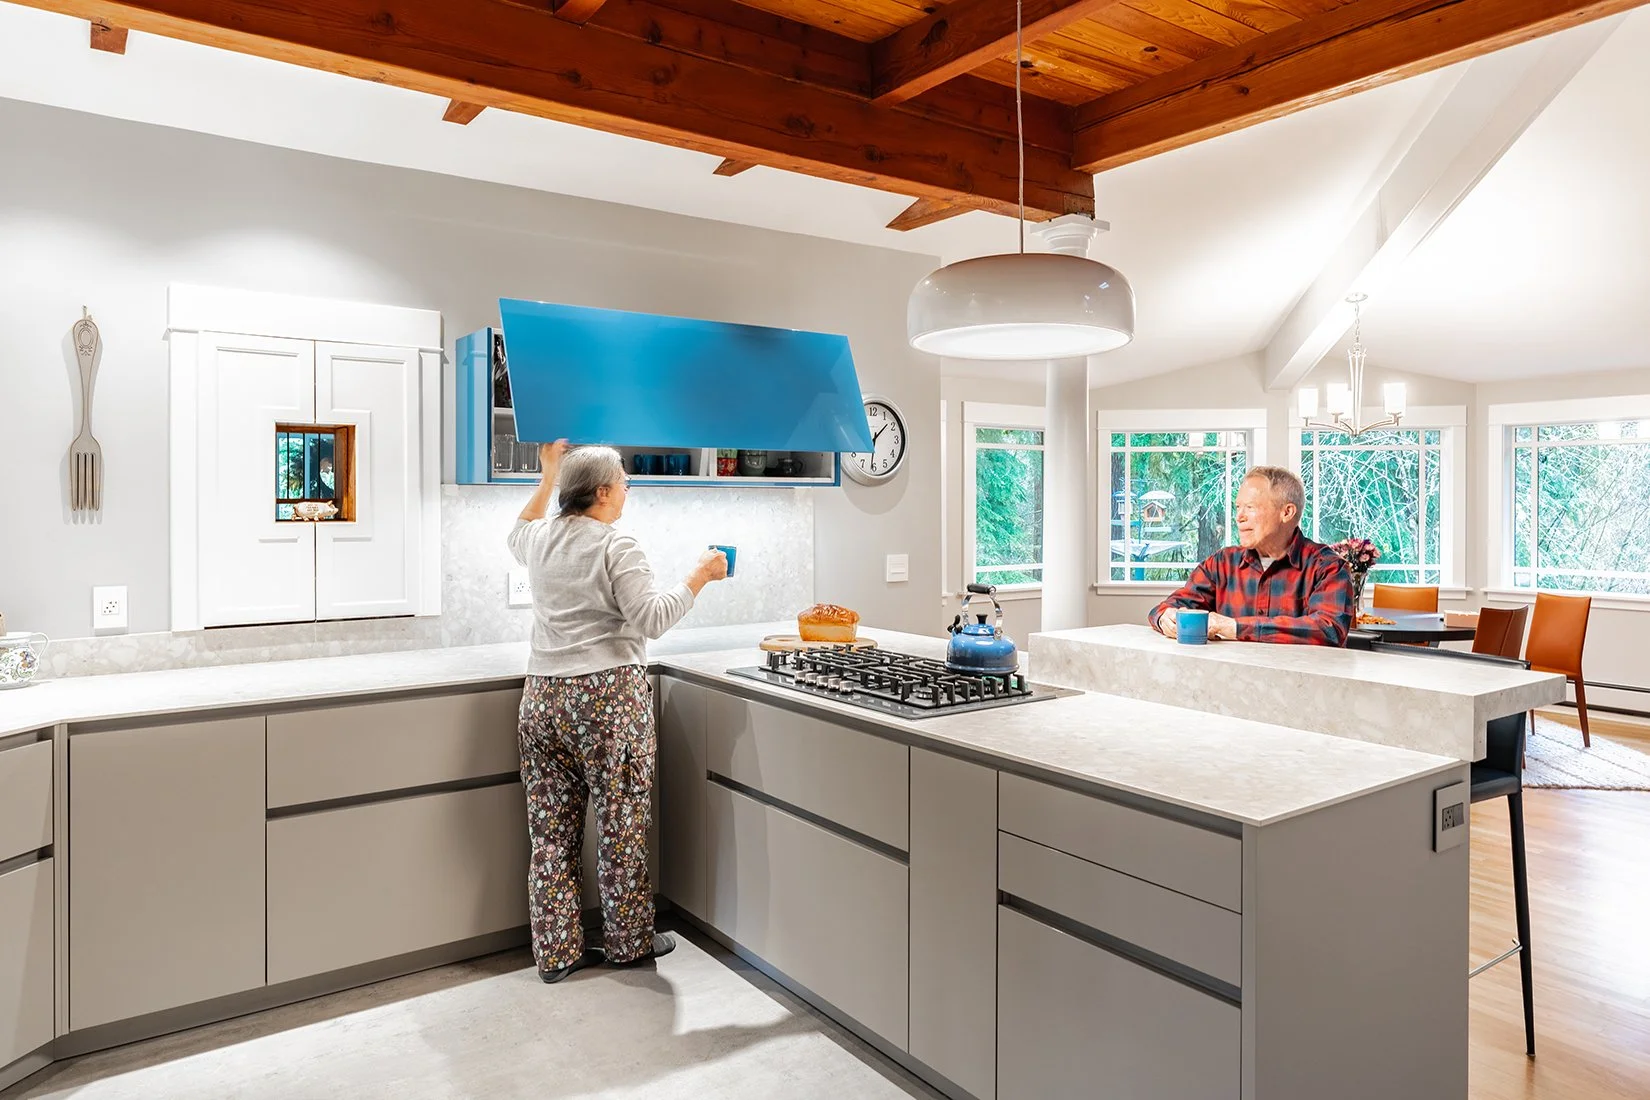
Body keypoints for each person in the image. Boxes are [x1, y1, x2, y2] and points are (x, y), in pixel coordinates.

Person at [508, 441, 729, 983]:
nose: (629, 488)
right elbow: (652, 619)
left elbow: (519, 528)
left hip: (543, 700)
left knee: (550, 832)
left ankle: (557, 953)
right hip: (607, 700)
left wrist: (547, 476)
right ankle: (629, 942)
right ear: (603, 492)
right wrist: (699, 576)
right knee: (621, 824)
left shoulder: (540, 540)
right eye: (624, 481)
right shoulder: (616, 544)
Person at [1149, 465, 1354, 646]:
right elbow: (1171, 606)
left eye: (1250, 507)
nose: (1239, 517)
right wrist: (1165, 617)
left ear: (1287, 513)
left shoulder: (1328, 568)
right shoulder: (1222, 563)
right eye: (1238, 507)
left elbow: (1329, 629)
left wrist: (1235, 628)